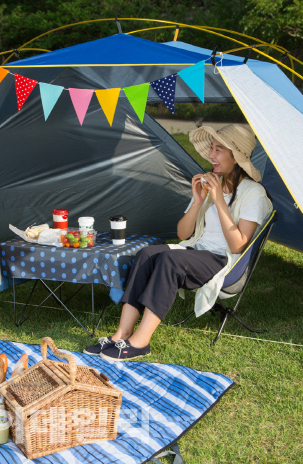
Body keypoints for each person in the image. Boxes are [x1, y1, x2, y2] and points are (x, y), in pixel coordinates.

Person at [85, 125, 273, 361]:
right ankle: (121, 333)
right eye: (211, 149)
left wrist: (219, 202)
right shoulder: (212, 184)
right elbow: (184, 234)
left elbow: (237, 246)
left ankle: (141, 342)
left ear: (236, 156)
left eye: (219, 150)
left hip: (223, 260)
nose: (211, 155)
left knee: (169, 260)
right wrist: (197, 201)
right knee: (145, 254)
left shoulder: (253, 192)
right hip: (195, 251)